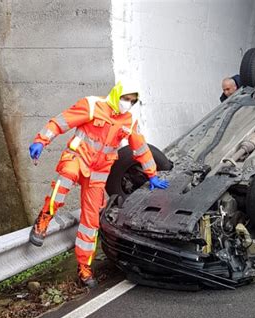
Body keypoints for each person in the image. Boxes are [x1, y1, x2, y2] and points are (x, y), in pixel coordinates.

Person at [28, 81, 169, 288]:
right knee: (66, 177)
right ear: (117, 94)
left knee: (91, 219)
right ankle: (44, 220)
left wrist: (152, 174)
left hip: (99, 171)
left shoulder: (129, 121)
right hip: (78, 157)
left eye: (132, 100)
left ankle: (84, 267)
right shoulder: (92, 105)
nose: (127, 103)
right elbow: (62, 121)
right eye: (125, 98)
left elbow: (140, 148)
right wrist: (42, 140)